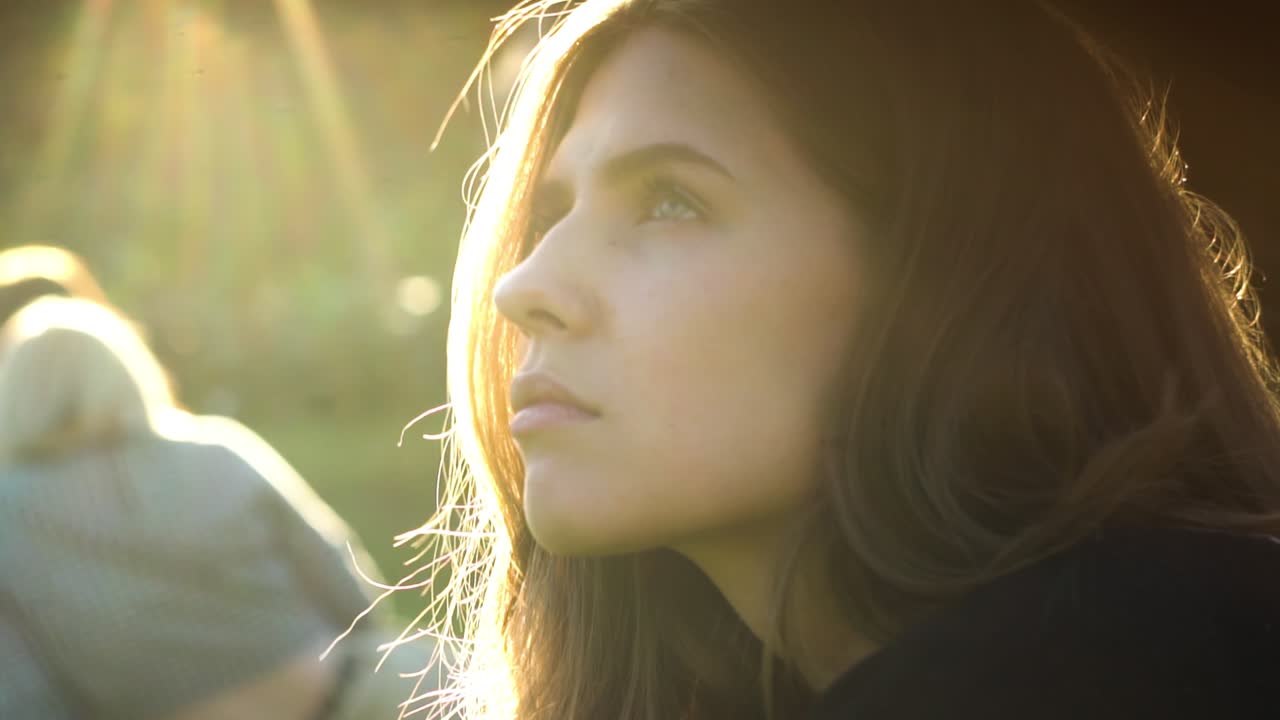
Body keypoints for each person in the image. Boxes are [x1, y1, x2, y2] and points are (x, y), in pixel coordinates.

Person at [413, 1, 1280, 718]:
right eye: (552, 212)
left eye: (670, 201)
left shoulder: (1163, 662)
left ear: (946, 275)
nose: (522, 284)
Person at [0, 297, 436, 720]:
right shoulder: (215, 451)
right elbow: (348, 589)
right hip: (368, 699)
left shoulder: (9, 513)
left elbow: (24, 698)